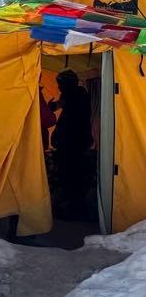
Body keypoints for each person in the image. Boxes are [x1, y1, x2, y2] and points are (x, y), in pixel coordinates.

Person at [49, 70, 94, 218]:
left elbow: (66, 118)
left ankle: (73, 208)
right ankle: (72, 206)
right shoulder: (78, 94)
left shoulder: (75, 95)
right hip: (76, 142)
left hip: (73, 143)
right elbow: (60, 106)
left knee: (71, 175)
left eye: (61, 85)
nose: (59, 87)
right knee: (73, 175)